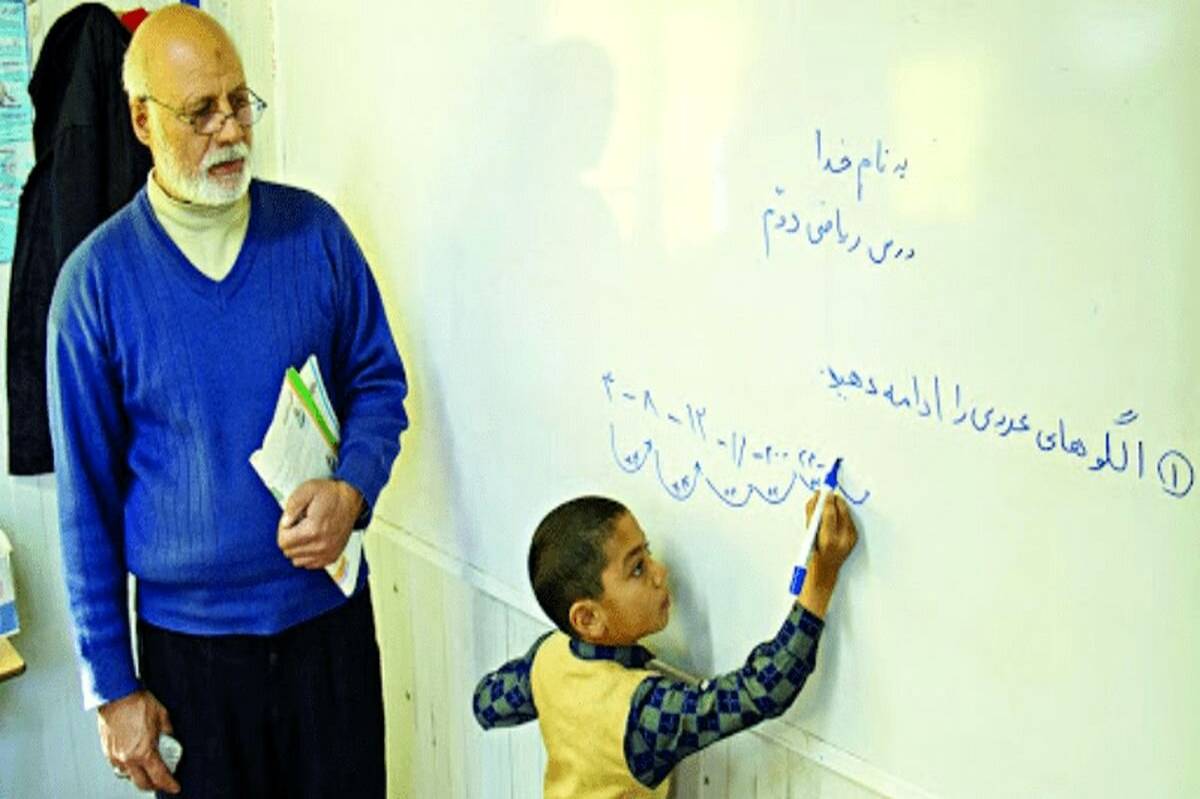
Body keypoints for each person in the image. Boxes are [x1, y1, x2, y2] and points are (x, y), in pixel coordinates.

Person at [45, 6, 407, 797]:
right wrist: (113, 686)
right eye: (201, 111)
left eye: (240, 101)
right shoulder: (95, 286)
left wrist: (353, 488)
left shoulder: (315, 235)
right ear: (142, 120)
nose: (231, 130)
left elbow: (379, 384)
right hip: (191, 662)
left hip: (329, 633)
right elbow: (85, 505)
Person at [473, 492, 858, 797]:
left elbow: (487, 705)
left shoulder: (549, 655)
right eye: (637, 568)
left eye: (649, 553)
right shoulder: (642, 713)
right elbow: (761, 690)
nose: (660, 572)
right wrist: (821, 580)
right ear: (587, 619)